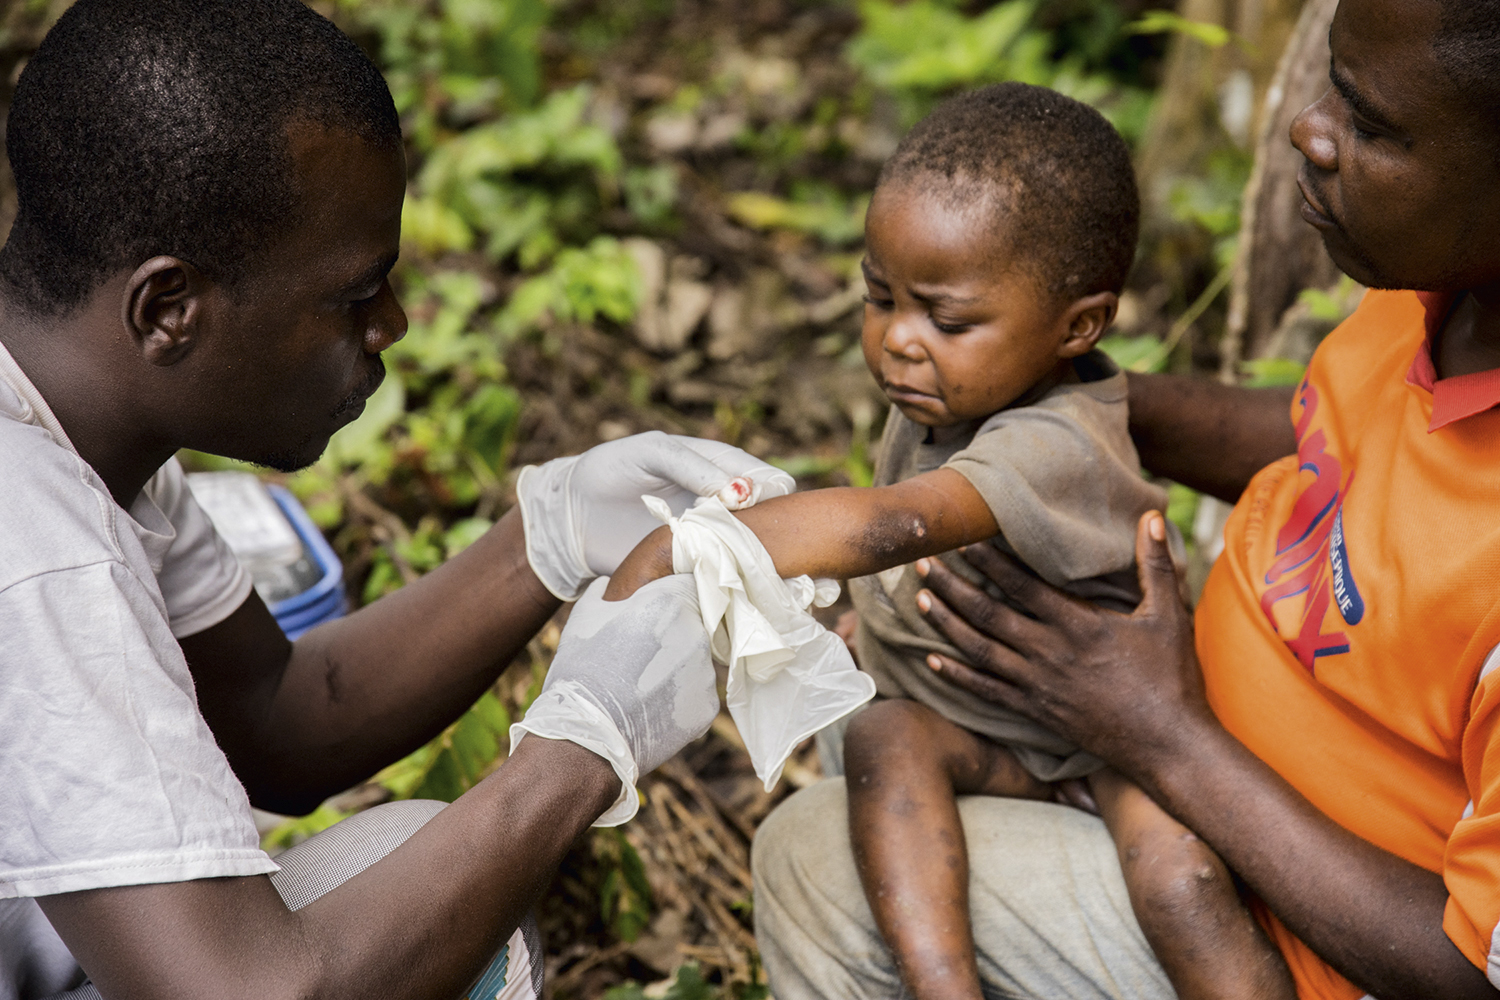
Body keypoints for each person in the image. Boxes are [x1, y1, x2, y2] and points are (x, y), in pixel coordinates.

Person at [0, 2, 793, 999]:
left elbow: (276, 722)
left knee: (410, 871)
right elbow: (247, 994)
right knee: (449, 940)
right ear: (169, 309)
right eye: (353, 295)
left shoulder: (84, 430)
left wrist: (545, 537)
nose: (393, 324)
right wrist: (580, 752)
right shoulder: (34, 542)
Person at [750, 0, 1500, 998]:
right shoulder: (1446, 290)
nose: (1307, 128)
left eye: (1370, 124)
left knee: (818, 861)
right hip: (1161, 753)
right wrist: (1055, 421)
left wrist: (1161, 733)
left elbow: (1475, 972)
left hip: (1301, 935)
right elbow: (1338, 434)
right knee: (866, 730)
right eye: (1333, 81)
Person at [604, 83, 1291, 1000]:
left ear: (1079, 326)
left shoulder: (1055, 440)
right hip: (986, 727)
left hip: (1110, 747)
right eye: (878, 297)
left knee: (1181, 883)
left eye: (947, 319)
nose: (899, 340)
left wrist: (686, 549)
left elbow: (898, 523)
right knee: (886, 739)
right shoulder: (949, 394)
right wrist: (881, 620)